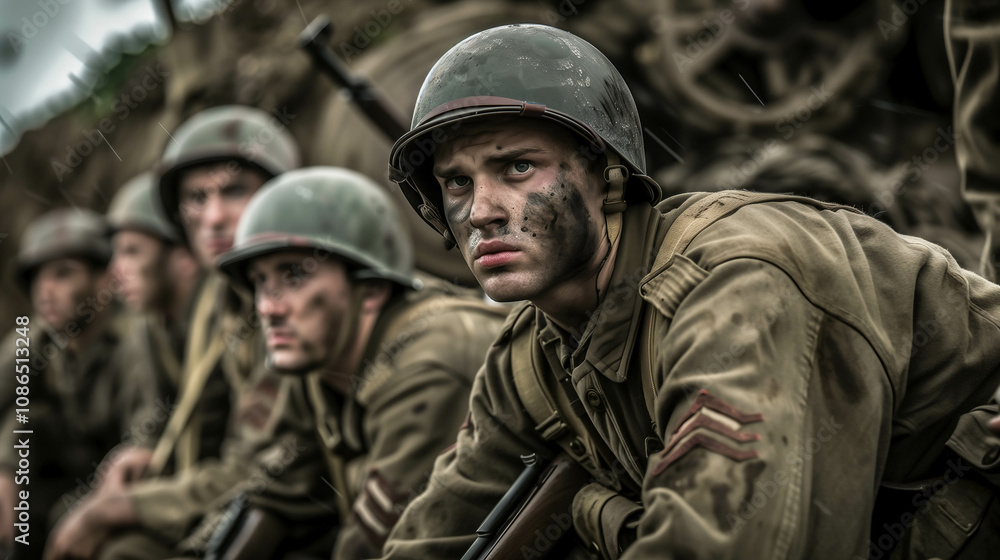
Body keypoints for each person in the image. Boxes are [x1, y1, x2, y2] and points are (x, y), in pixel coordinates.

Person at [379, 24, 1000, 559]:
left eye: (518, 167)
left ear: (607, 175)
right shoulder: (530, 362)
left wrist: (596, 512)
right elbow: (430, 538)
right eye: (456, 182)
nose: (481, 211)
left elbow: (733, 545)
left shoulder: (741, 282)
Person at [44, 105, 311, 560]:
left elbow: (270, 467)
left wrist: (115, 510)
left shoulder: (299, 296)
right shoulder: (220, 302)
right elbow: (198, 424)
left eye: (234, 191)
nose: (214, 217)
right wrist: (148, 454)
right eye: (196, 199)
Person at [215, 166, 507, 558]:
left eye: (293, 276)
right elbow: (280, 490)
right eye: (260, 281)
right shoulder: (318, 360)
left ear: (370, 290)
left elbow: (376, 546)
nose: (267, 306)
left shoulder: (430, 364)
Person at [0, 209, 150, 560]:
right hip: (67, 475)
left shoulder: (134, 340)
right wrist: (5, 469)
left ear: (103, 280)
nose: (45, 291)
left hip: (121, 490)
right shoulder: (38, 338)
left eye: (63, 273)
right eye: (36, 278)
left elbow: (144, 446)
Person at [105, 172, 200, 454]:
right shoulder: (150, 328)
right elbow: (150, 419)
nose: (116, 271)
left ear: (183, 256)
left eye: (132, 251)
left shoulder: (222, 318)